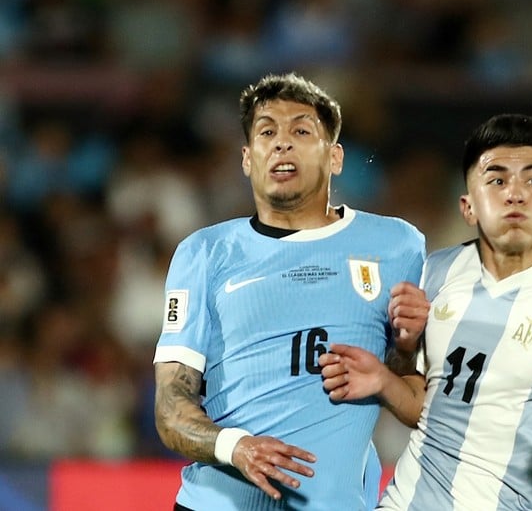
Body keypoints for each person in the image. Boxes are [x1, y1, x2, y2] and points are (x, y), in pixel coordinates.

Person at [320, 114, 532, 510]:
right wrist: (402, 352)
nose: (515, 194)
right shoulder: (437, 271)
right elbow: (425, 406)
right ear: (468, 207)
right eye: (497, 180)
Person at [152, 72, 429, 510]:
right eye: (267, 132)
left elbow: (422, 401)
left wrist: (409, 345)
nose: (282, 143)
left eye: (301, 130)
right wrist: (237, 447)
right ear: (247, 159)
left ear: (335, 157)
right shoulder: (204, 253)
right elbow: (170, 410)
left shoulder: (398, 246)